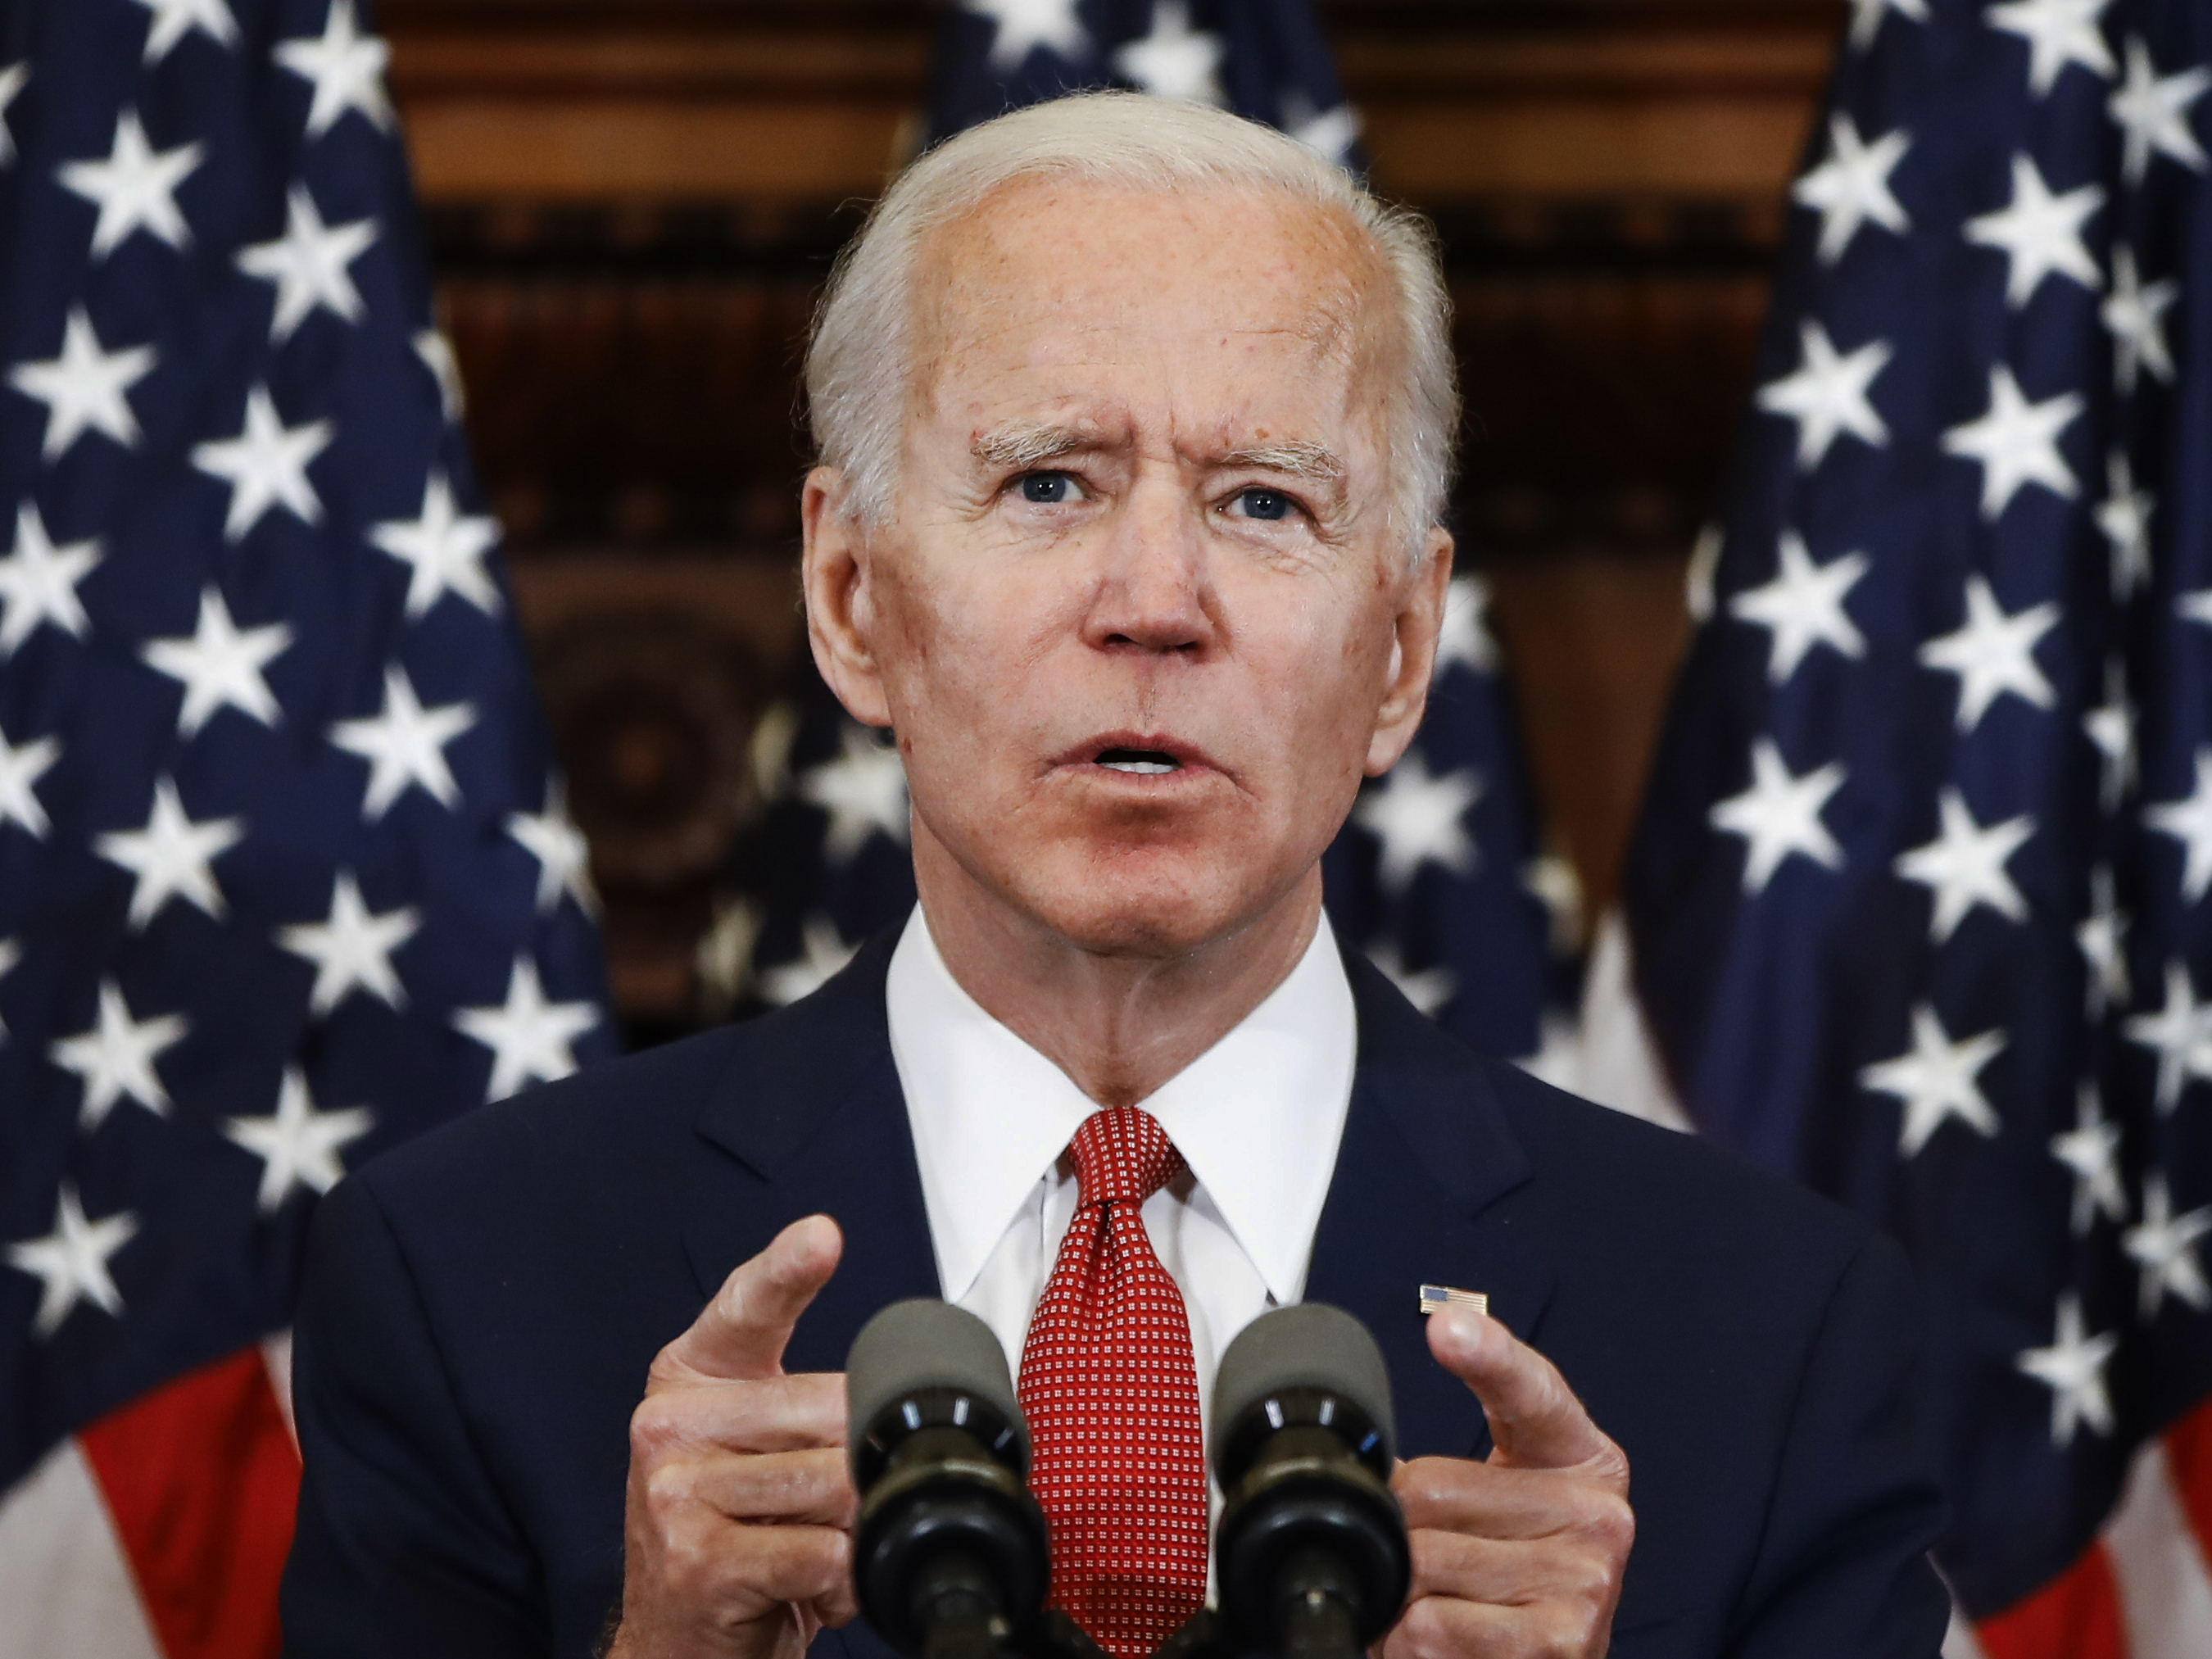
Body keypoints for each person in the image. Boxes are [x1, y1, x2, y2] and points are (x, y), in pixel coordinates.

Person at [280, 94, 1948, 1659]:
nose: (1155, 601)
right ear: (852, 598)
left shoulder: (1770, 1337)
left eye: (1264, 501)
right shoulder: (467, 1284)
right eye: (1049, 482)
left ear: (1400, 647)